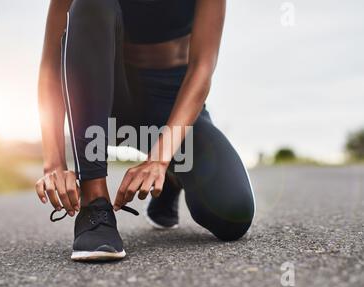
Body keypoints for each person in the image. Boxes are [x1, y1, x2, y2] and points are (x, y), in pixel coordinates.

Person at [36, 0, 255, 262]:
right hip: (107, 100)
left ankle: (172, 177)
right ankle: (95, 205)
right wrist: (54, 164)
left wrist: (159, 159)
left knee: (233, 213)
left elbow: (202, 68)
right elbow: (51, 65)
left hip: (172, 102)